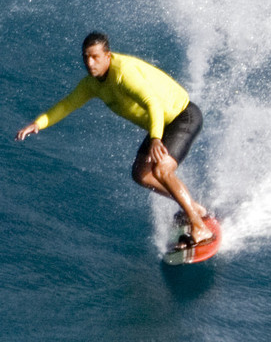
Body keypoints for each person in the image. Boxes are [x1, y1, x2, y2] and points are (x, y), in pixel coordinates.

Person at [17, 33, 213, 244]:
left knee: (161, 170)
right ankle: (194, 209)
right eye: (86, 57)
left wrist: (156, 138)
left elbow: (153, 103)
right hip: (163, 125)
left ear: (107, 56)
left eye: (95, 57)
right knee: (141, 174)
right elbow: (67, 104)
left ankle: (200, 228)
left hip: (182, 117)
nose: (90, 63)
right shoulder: (92, 84)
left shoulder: (123, 73)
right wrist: (39, 123)